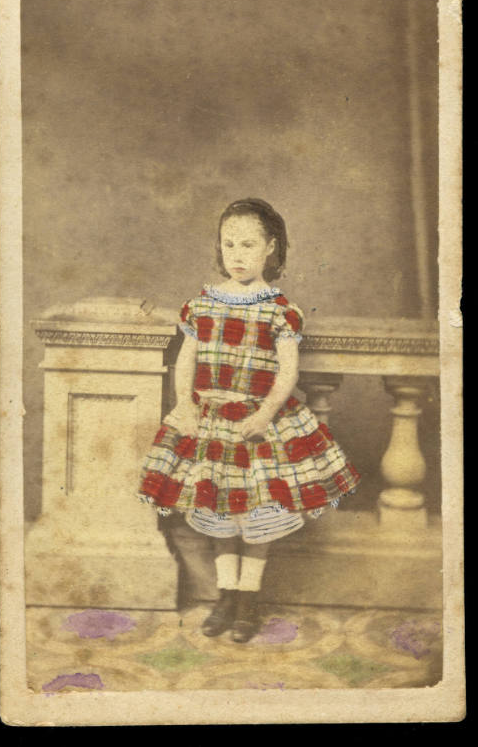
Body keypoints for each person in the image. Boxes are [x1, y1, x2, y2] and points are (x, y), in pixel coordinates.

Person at [138, 198, 360, 643]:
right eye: (229, 244)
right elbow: (187, 360)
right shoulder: (201, 305)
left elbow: (288, 371)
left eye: (248, 245)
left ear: (270, 249)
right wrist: (185, 404)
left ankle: (247, 603)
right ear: (219, 248)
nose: (237, 254)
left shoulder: (280, 310)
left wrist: (264, 414)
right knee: (221, 512)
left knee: (258, 516)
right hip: (212, 424)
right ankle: (224, 597)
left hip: (257, 424)